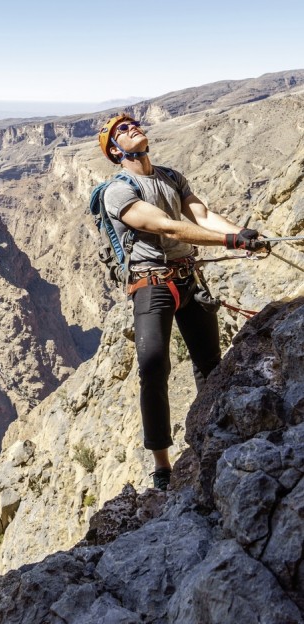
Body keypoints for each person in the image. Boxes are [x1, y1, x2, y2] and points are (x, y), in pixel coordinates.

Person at [98, 112, 267, 490]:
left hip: (186, 278)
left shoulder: (171, 177)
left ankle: (213, 433)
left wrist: (242, 235)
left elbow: (200, 216)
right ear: (114, 150)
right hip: (152, 284)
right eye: (121, 130)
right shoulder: (118, 191)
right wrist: (231, 243)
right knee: (153, 368)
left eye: (132, 123)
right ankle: (162, 465)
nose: (131, 128)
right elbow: (165, 225)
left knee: (210, 363)